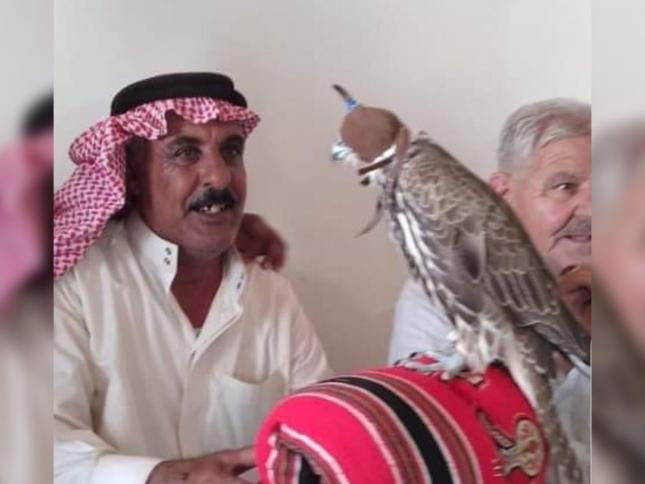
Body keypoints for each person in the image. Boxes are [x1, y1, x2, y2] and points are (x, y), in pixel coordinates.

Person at [53, 72, 331, 484]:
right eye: (185, 153)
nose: (220, 177)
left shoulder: (271, 293)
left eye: (231, 150)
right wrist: (164, 477)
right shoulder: (74, 287)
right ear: (131, 176)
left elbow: (323, 438)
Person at [386, 98, 591, 481]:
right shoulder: (440, 295)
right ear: (501, 194)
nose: (593, 210)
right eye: (565, 187)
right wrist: (557, 348)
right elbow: (453, 459)